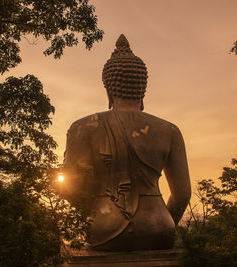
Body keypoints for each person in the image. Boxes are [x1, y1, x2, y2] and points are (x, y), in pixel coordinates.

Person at [60, 34, 191, 251]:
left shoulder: (83, 127)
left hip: (102, 227)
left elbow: (69, 188)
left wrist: (94, 213)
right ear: (142, 87)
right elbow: (183, 194)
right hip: (158, 228)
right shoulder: (170, 130)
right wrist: (164, 223)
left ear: (109, 88)